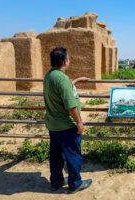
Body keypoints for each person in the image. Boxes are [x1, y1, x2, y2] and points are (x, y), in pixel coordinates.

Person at [43, 47, 92, 193]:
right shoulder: (62, 79)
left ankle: (56, 181)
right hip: (66, 126)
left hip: (54, 124)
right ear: (65, 61)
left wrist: (76, 80)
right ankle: (75, 183)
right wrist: (79, 123)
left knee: (56, 155)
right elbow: (71, 107)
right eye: (68, 58)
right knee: (73, 155)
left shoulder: (50, 75)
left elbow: (62, 86)